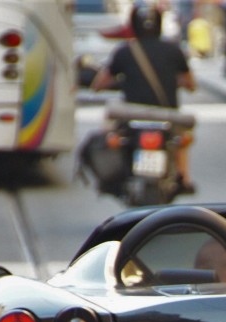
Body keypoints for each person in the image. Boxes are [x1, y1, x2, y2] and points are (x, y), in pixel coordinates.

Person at [92, 1, 198, 192]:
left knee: (108, 133)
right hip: (168, 116)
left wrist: (119, 82)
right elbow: (191, 84)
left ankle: (110, 175)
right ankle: (185, 177)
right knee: (181, 139)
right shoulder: (174, 50)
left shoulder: (124, 51)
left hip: (131, 115)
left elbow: (99, 84)